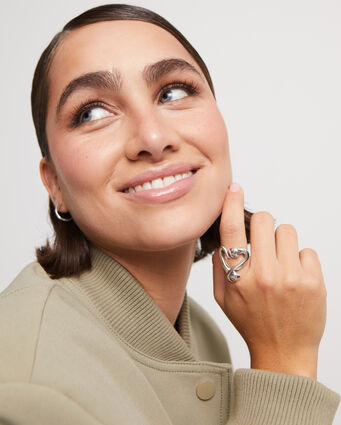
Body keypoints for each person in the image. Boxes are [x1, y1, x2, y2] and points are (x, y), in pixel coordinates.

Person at [0, 4, 339, 424]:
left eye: (173, 92)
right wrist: (285, 366)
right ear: (54, 184)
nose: (154, 138)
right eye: (92, 113)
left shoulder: (199, 331)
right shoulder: (27, 390)